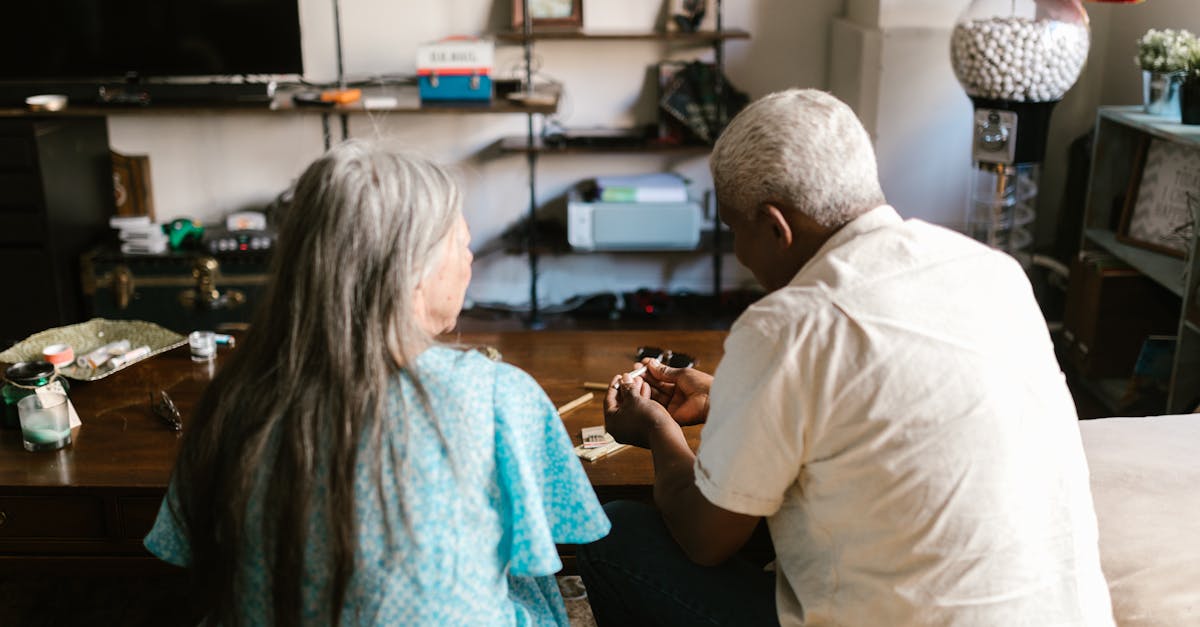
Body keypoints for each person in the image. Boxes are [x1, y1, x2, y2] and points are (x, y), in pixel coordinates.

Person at [577, 89, 1114, 626]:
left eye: (735, 230)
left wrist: (657, 430)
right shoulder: (993, 271)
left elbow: (704, 538)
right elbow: (881, 410)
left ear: (776, 227)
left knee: (614, 533)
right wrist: (730, 396)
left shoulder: (787, 323)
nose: (738, 252)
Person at [144, 141, 609, 625]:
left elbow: (185, 550)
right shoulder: (498, 394)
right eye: (461, 244)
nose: (469, 260)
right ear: (412, 269)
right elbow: (562, 533)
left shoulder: (231, 397)